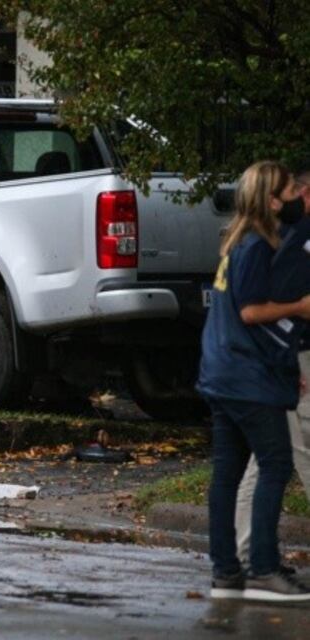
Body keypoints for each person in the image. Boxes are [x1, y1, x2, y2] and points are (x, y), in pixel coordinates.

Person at [197, 160, 310, 602]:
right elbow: (251, 312)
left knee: (227, 473)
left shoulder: (236, 240)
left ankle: (227, 573)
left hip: (224, 370)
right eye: (287, 193)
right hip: (245, 376)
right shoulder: (258, 245)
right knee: (276, 464)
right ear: (270, 200)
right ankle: (262, 570)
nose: (293, 201)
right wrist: (299, 306)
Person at [235, 168, 310, 565]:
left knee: (265, 461)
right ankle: (251, 559)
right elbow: (262, 310)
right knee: (284, 456)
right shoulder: (289, 240)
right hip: (288, 359)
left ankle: (246, 553)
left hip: (284, 360)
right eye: (292, 191)